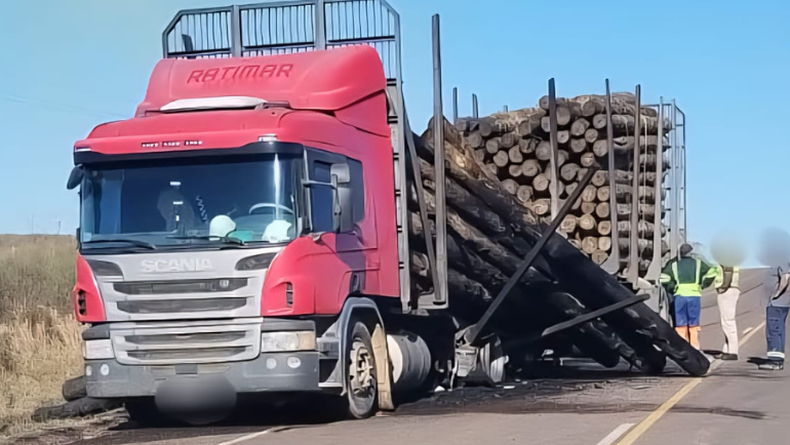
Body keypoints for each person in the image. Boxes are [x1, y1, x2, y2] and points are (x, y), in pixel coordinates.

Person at [660, 243, 718, 349]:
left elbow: (663, 278)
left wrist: (673, 288)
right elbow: (712, 272)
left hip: (680, 296)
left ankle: (682, 346)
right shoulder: (699, 264)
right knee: (693, 322)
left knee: (680, 322)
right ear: (691, 253)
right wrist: (703, 284)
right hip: (694, 295)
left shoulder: (674, 264)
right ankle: (695, 346)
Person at [760, 266, 790, 370]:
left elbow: (785, 277)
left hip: (778, 302)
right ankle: (777, 358)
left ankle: (775, 361)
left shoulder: (782, 259)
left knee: (774, 329)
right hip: (779, 301)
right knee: (778, 329)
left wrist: (776, 295)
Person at [713, 264, 741, 360]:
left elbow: (728, 272)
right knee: (725, 322)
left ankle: (733, 351)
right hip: (730, 289)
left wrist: (722, 288)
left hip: (727, 290)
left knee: (728, 321)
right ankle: (727, 349)